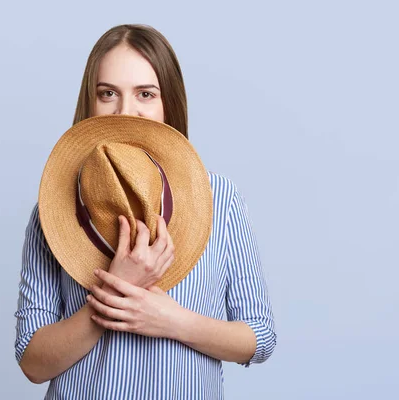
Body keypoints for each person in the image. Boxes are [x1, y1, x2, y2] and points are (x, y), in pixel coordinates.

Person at [14, 24, 276, 399]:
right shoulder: (55, 211)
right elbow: (32, 362)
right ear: (89, 102)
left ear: (168, 101)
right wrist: (115, 294)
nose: (126, 111)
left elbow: (260, 336)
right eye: (108, 93)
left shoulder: (219, 199)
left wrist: (169, 320)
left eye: (145, 93)